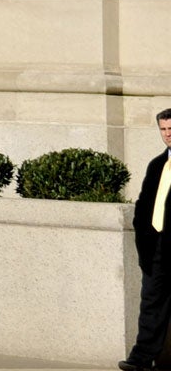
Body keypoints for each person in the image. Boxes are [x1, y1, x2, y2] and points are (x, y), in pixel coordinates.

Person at [123, 107, 171, 370]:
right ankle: (140, 360)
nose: (168, 134)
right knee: (151, 305)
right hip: (156, 249)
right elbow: (143, 206)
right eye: (163, 129)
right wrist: (143, 240)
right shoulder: (156, 164)